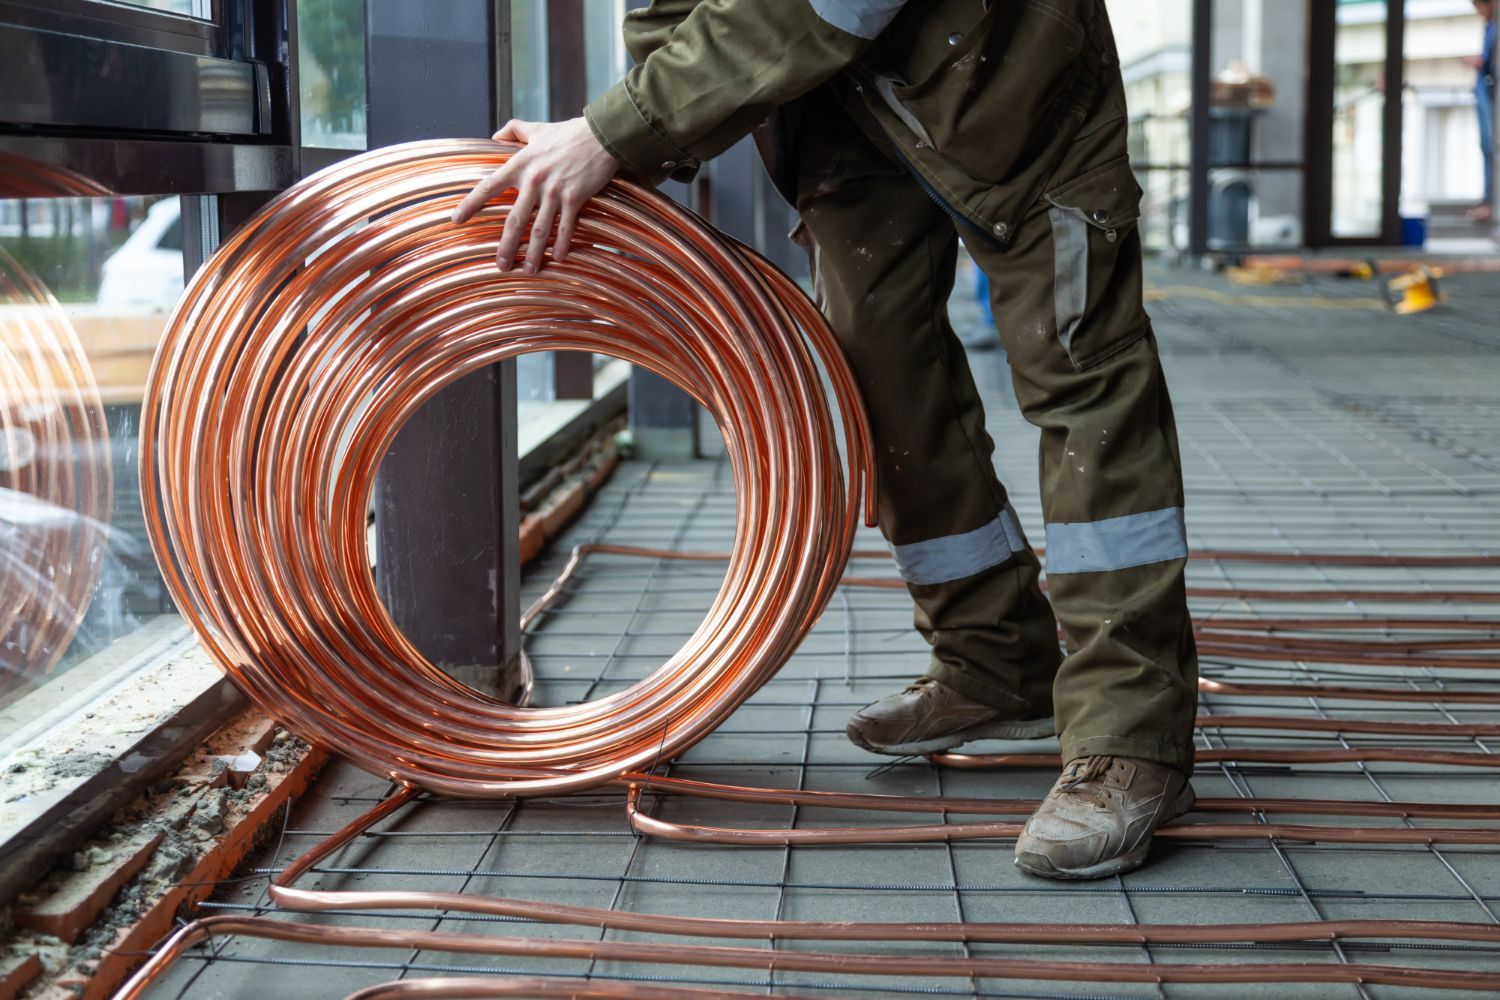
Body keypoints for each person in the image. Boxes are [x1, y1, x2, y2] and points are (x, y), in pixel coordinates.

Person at [454, 0, 1198, 881]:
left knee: (1082, 374)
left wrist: (617, 130)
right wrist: (631, 146)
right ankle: (996, 661)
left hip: (1009, 76)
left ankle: (1130, 733)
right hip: (836, 104)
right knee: (879, 376)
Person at [1465, 0, 1495, 222]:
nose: (1478, 12)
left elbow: (1489, 64)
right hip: (1484, 94)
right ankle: (1489, 201)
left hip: (1491, 97)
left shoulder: (1495, 27)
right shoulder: (1489, 27)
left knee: (1491, 147)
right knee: (1487, 148)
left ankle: (1491, 202)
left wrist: (1478, 62)